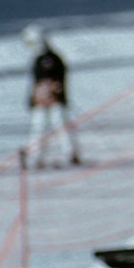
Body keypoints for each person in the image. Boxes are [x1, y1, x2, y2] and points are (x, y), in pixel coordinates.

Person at [21, 24, 81, 168]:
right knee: (38, 127)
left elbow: (58, 80)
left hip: (55, 100)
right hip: (40, 101)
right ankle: (35, 157)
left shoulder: (52, 59)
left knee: (60, 124)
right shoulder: (37, 59)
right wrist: (33, 98)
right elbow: (35, 82)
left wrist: (54, 92)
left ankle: (70, 154)